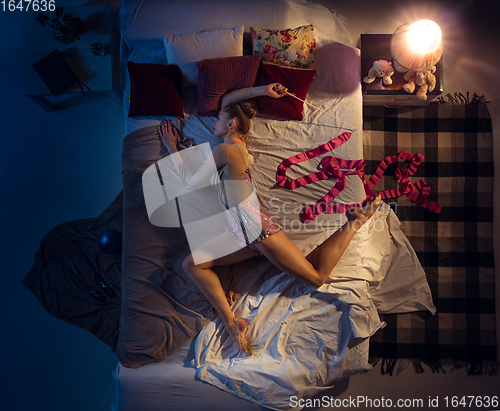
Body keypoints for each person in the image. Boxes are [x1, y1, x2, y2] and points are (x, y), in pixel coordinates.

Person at [158, 83, 381, 355]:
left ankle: (355, 221)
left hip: (254, 228)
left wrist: (171, 147)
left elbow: (189, 183)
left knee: (316, 277)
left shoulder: (227, 151)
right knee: (192, 263)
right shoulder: (235, 150)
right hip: (243, 234)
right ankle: (231, 322)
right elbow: (228, 100)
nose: (213, 122)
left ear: (230, 124)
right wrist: (263, 89)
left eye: (218, 119)